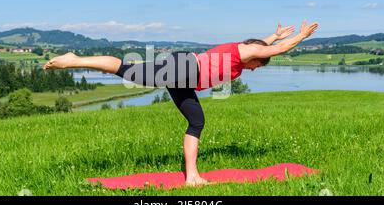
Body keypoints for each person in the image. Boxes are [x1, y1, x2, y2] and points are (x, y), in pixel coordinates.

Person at [43, 20, 319, 186]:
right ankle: (74, 60)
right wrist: (300, 37)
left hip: (184, 76)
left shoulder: (247, 50)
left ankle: (192, 176)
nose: (257, 68)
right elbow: (272, 49)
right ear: (257, 56)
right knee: (128, 71)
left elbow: (264, 45)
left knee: (196, 121)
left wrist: (275, 36)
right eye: (260, 65)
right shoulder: (249, 51)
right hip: (185, 70)